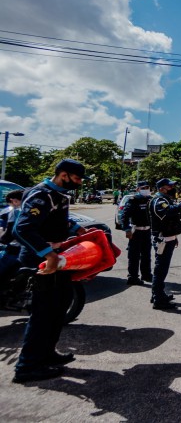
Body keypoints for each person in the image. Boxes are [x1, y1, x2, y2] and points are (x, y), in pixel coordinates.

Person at [12, 159, 88, 383]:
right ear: (63, 175)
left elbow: (56, 219)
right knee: (43, 312)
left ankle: (47, 353)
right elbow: (22, 228)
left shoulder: (58, 195)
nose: (79, 182)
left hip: (57, 257)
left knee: (61, 303)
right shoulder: (41, 194)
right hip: (41, 258)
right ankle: (27, 366)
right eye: (76, 178)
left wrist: (76, 228)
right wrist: (49, 254)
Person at [148, 178, 181, 310]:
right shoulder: (159, 201)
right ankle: (158, 299)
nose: (171, 189)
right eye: (168, 187)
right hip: (162, 239)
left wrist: (174, 237)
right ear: (161, 188)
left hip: (167, 237)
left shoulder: (163, 199)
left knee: (162, 269)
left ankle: (158, 294)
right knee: (160, 269)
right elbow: (168, 212)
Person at [121, 180, 153, 285]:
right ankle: (133, 277)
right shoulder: (133, 200)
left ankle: (147, 275)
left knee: (146, 255)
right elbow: (124, 216)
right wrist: (127, 229)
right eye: (143, 188)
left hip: (147, 231)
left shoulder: (150, 199)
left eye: (147, 187)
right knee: (134, 255)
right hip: (136, 231)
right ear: (137, 189)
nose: (145, 190)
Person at [0, 189, 24, 281]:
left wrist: (2, 241)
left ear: (14, 201)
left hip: (15, 249)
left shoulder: (15, 211)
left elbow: (9, 234)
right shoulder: (35, 210)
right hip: (34, 250)